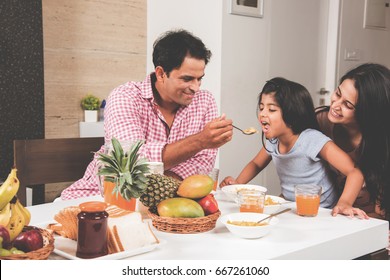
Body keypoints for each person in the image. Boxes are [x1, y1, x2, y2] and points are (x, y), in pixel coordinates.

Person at [61, 29, 233, 200]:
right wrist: (200, 141)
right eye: (187, 79)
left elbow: (203, 163)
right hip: (103, 196)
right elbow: (131, 162)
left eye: (199, 78)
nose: (196, 87)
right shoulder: (125, 97)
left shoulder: (205, 101)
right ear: (160, 74)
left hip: (171, 199)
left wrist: (163, 185)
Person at [220, 77, 367, 217]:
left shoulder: (311, 139)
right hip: (293, 209)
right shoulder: (273, 141)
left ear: (292, 116)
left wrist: (344, 203)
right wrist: (237, 184)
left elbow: (355, 172)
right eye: (261, 108)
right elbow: (256, 164)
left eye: (271, 110)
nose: (262, 114)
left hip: (322, 212)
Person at [316, 63, 390, 221]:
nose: (335, 105)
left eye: (347, 105)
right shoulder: (319, 121)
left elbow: (382, 211)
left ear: (367, 113)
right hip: (329, 214)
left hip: (368, 220)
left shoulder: (382, 144)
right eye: (337, 93)